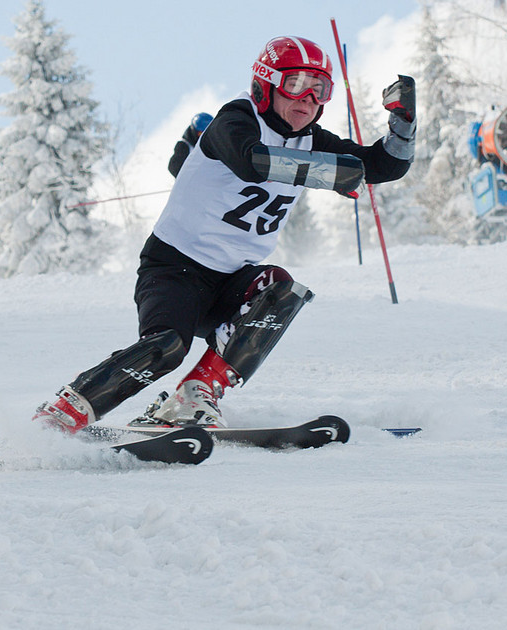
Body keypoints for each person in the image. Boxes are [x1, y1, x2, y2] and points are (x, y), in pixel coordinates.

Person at [34, 35, 415, 433]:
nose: (307, 99)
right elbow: (251, 161)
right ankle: (61, 414)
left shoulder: (310, 139)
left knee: (281, 289)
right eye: (295, 84)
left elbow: (382, 166)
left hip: (231, 280)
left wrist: (403, 127)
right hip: (175, 268)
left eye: (319, 89)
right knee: (166, 348)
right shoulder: (236, 118)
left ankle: (193, 396)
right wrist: (328, 172)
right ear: (265, 85)